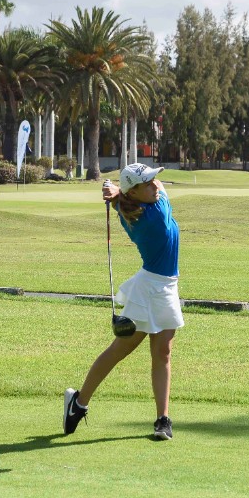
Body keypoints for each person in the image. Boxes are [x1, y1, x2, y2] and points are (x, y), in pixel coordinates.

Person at [63, 163, 184, 441]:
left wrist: (119, 193)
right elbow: (163, 192)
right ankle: (78, 403)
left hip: (166, 286)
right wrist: (119, 192)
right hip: (150, 289)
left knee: (163, 353)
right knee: (122, 349)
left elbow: (154, 189)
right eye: (148, 183)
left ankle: (163, 420)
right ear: (135, 193)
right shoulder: (154, 215)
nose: (156, 186)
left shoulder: (133, 206)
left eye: (154, 181)